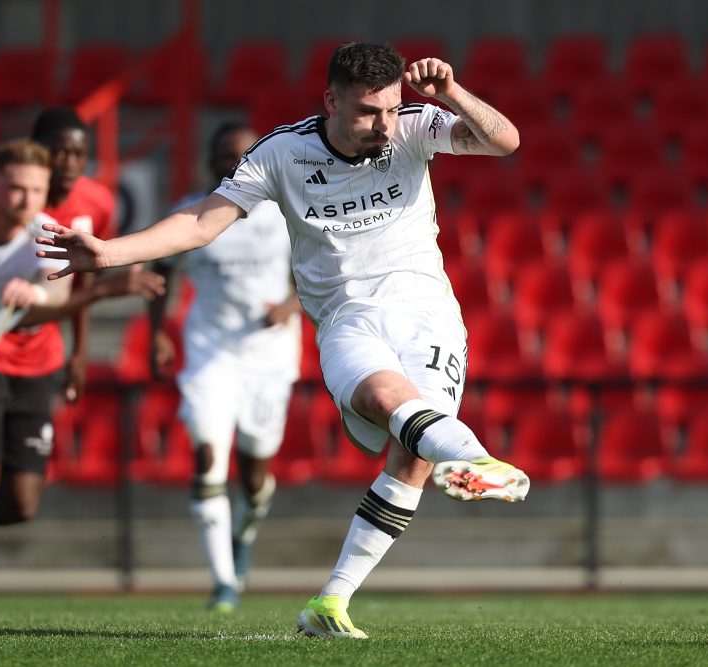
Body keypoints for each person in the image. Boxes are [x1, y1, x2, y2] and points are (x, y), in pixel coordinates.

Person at [37, 42, 530, 639]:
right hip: (348, 318)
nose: (383, 125)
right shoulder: (281, 154)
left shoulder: (415, 126)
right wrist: (109, 253)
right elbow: (200, 221)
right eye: (368, 112)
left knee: (412, 454)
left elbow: (505, 141)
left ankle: (330, 603)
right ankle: (475, 457)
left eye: (391, 109)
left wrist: (450, 93)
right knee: (382, 397)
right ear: (331, 101)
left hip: (429, 314)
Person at [0, 109, 164, 532]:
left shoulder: (57, 228)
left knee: (21, 502)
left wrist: (79, 350)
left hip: (26, 356)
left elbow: (63, 293)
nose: (68, 163)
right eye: (58, 153)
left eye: (78, 154)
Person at [148, 122, 302, 612]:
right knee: (207, 458)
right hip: (210, 355)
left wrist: (292, 304)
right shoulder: (190, 214)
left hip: (270, 358)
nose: (233, 166)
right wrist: (156, 329)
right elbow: (160, 270)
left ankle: (244, 535)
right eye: (224, 158)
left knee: (255, 472)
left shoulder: (284, 214)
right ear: (211, 163)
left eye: (242, 157)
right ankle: (224, 583)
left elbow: (321, 266)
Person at [0, 139, 72, 488]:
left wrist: (34, 291)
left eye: (37, 190)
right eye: (17, 188)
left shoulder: (47, 235)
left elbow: (59, 289)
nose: (27, 200)